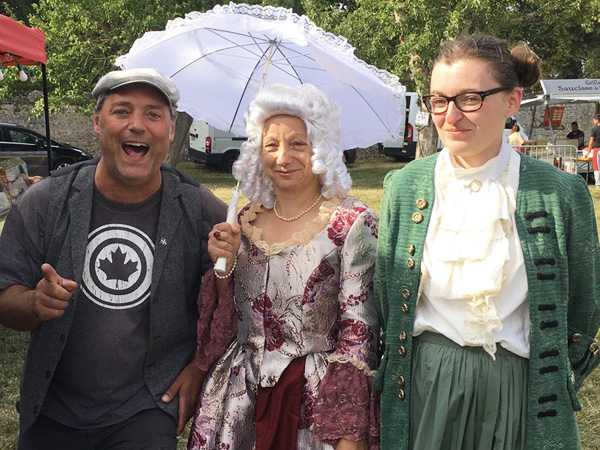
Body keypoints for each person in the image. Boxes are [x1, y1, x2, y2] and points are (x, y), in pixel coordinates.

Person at [375, 34, 600, 450]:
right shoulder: (404, 187)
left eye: (471, 98)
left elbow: (585, 304)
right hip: (426, 384)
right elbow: (386, 298)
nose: (451, 115)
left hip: (520, 386)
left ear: (513, 101)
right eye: (438, 100)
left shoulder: (561, 193)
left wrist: (556, 371)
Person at [0, 68, 227, 449]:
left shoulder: (198, 208)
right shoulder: (45, 203)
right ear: (97, 122)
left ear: (171, 130)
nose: (137, 125)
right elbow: (5, 298)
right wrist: (34, 303)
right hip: (52, 406)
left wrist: (200, 367)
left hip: (145, 410)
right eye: (122, 111)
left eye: (153, 114)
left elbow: (232, 301)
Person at [187, 83, 380, 450]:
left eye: (297, 144)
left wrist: (349, 436)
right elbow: (231, 319)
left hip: (313, 402)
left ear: (320, 148)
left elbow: (359, 335)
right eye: (271, 144)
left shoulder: (351, 222)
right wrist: (223, 266)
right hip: (239, 397)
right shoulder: (244, 220)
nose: (282, 157)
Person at [583, 114, 600, 186]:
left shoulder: (595, 129)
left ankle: (598, 184)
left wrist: (588, 152)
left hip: (597, 149)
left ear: (597, 120)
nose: (593, 121)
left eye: (593, 120)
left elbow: (591, 142)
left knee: (596, 167)